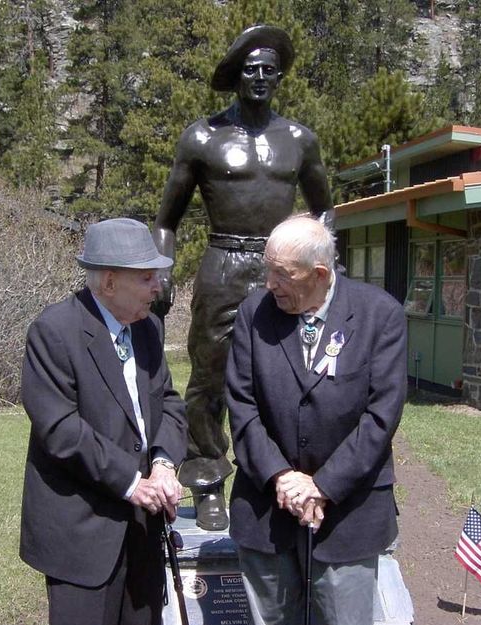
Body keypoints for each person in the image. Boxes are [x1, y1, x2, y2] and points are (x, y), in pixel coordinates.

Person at [225, 216, 407, 625]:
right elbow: (242, 404)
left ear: (321, 273)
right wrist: (282, 476)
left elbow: (381, 417)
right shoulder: (255, 314)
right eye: (267, 271)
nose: (270, 284)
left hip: (350, 503)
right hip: (268, 498)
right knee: (267, 623)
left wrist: (322, 485)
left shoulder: (379, 316)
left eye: (283, 275)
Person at [19, 218, 187, 625]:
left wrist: (166, 462)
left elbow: (168, 401)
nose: (156, 287)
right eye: (147, 277)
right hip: (81, 517)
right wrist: (129, 480)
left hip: (142, 511)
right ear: (108, 279)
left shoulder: (146, 329)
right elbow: (60, 429)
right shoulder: (54, 332)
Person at [154, 24, 333, 531]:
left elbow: (325, 212)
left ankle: (279, 479)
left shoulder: (300, 140)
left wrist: (321, 268)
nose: (260, 77)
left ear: (280, 76)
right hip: (223, 262)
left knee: (287, 378)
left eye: (269, 70)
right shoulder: (203, 137)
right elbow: (166, 220)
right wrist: (162, 267)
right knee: (209, 379)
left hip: (283, 268)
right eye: (251, 69)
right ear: (235, 75)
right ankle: (208, 480)